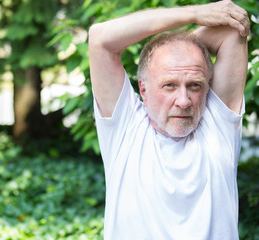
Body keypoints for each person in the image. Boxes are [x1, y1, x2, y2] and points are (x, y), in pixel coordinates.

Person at [88, 0, 250, 239]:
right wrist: (194, 14)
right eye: (169, 85)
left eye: (195, 85)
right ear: (143, 89)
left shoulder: (218, 125)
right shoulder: (126, 127)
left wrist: (178, 55)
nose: (184, 101)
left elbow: (231, 30)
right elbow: (100, 37)